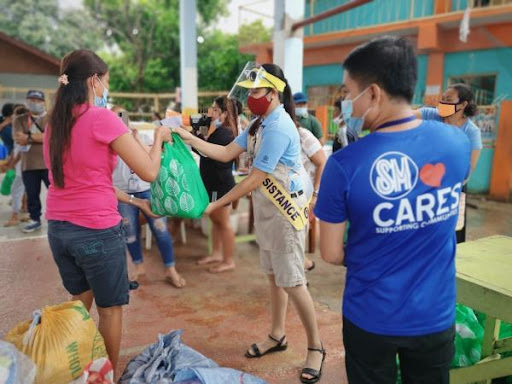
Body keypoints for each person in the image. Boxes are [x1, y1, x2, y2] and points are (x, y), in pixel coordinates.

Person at [315, 36, 470, 384]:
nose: (345, 103)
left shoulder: (343, 166)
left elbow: (329, 252)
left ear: (372, 93)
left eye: (347, 91)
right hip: (435, 314)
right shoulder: (457, 143)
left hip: (371, 317)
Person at [174, 64, 326, 384]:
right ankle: (277, 334)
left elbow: (256, 178)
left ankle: (316, 347)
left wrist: (214, 204)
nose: (250, 97)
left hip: (286, 214)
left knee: (293, 282)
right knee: (274, 277)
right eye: (249, 91)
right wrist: (187, 135)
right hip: (269, 212)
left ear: (273, 93)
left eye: (255, 92)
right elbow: (226, 151)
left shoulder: (279, 127)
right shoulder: (259, 124)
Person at [44, 49, 171, 374]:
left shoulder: (54, 124)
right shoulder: (101, 118)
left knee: (79, 301)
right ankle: (105, 377)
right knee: (110, 309)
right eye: (105, 82)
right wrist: (158, 139)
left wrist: (136, 202)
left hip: (59, 229)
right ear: (93, 80)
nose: (105, 89)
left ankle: (73, 368)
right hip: (96, 230)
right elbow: (149, 172)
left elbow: (87, 182)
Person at [111, 106, 185, 287]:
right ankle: (139, 266)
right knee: (129, 232)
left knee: (161, 229)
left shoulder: (141, 137)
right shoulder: (108, 142)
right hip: (123, 192)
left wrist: (137, 140)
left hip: (147, 189)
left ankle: (170, 268)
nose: (119, 120)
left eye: (121, 116)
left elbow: (156, 157)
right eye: (114, 117)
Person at [414, 83, 482, 243]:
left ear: (463, 104)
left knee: (451, 234)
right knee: (421, 232)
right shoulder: (431, 115)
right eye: (442, 99)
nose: (443, 103)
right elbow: (405, 117)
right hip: (424, 182)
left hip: (453, 189)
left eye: (449, 99)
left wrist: (443, 183)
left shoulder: (471, 132)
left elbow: (468, 170)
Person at [195, 96, 237, 273]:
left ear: (225, 114)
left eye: (215, 110)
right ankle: (216, 253)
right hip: (212, 182)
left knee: (223, 221)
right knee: (215, 219)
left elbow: (203, 149)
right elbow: (202, 142)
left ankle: (228, 260)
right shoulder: (216, 130)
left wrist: (194, 136)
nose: (211, 113)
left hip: (221, 184)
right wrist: (200, 127)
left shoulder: (225, 133)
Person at [13, 90, 49, 233]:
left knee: (56, 193)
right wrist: (42, 137)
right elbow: (18, 138)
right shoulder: (20, 119)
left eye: (37, 100)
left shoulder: (51, 118)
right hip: (28, 165)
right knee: (32, 195)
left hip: (49, 164)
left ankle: (60, 219)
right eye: (31, 100)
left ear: (43, 102)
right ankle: (35, 220)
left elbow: (53, 138)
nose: (34, 103)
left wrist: (28, 137)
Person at [297, 125, 326, 271]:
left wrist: (315, 194)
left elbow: (322, 161)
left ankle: (300, 279)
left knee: (297, 238)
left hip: (304, 196)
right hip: (285, 195)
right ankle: (305, 264)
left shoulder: (303, 135)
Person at [2, 105, 28, 227]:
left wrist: (11, 165)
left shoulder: (22, 130)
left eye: (14, 115)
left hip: (24, 166)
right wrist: (10, 161)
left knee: (16, 190)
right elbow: (16, 150)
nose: (12, 118)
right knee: (23, 190)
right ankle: (26, 210)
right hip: (21, 166)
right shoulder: (17, 128)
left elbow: (22, 151)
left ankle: (15, 216)